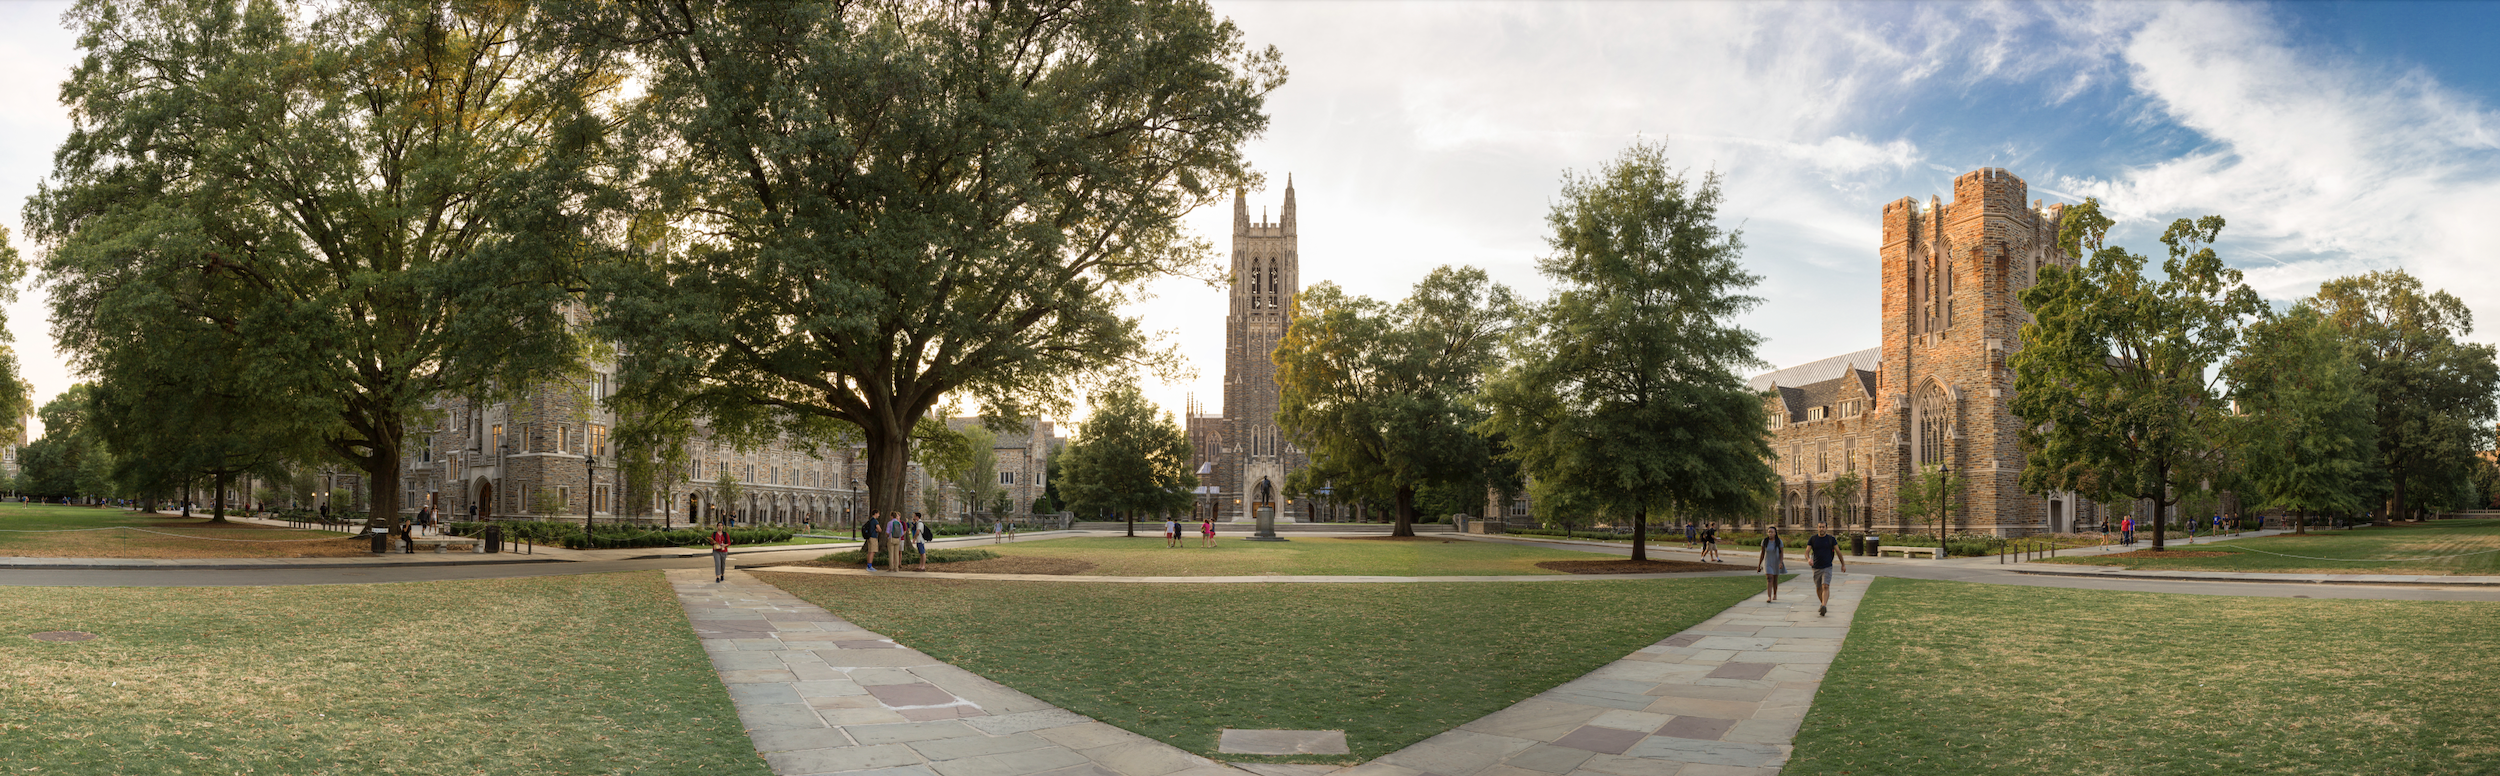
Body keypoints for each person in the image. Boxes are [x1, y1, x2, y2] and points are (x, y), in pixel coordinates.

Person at [1806, 524, 1845, 617]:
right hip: (1816, 567)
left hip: (1827, 566)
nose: (1821, 528)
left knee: (1825, 586)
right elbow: (1807, 552)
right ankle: (1823, 604)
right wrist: (1808, 559)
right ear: (1817, 528)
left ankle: (1824, 605)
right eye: (1819, 527)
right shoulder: (1813, 539)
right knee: (1818, 588)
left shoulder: (1831, 539)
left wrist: (1843, 564)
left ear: (1826, 528)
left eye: (1823, 527)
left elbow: (1838, 552)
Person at [1755, 527, 1787, 603]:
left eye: (1772, 532)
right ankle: (1769, 597)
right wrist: (1759, 565)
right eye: (1769, 532)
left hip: (1776, 562)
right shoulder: (1765, 541)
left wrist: (1781, 562)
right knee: (1769, 579)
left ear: (1775, 533)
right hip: (1767, 562)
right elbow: (1762, 553)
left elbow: (1781, 553)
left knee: (1775, 580)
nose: (1770, 533)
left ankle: (1775, 594)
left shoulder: (1779, 542)